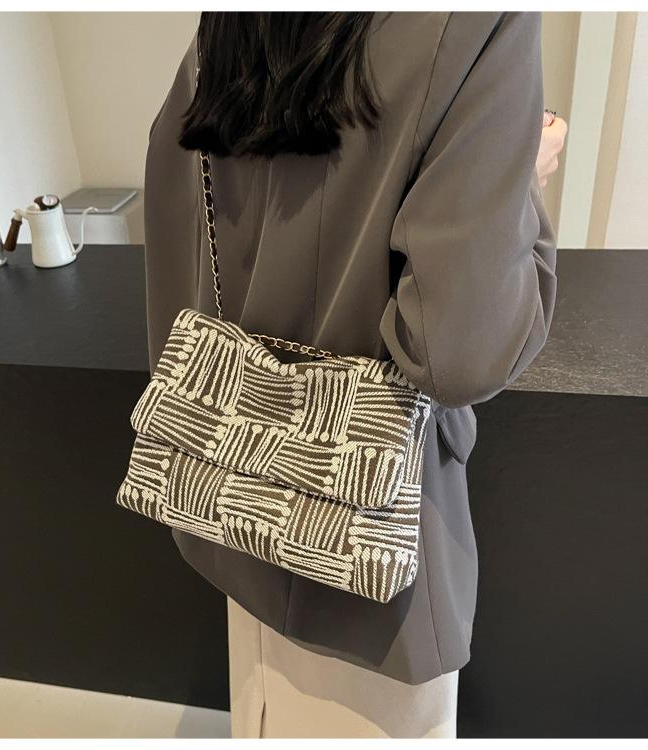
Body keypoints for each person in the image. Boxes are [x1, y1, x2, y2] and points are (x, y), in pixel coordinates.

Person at [142, 12, 567, 738]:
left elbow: (179, 229)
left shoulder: (228, 27)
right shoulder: (481, 20)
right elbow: (461, 350)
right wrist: (516, 172)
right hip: (369, 553)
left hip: (233, 506)